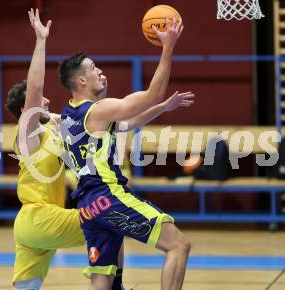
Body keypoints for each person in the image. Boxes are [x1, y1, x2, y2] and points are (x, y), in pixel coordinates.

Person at [59, 16, 193, 290]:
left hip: (87, 207)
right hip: (108, 196)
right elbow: (153, 93)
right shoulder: (97, 110)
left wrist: (163, 108)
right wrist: (168, 47)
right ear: (81, 79)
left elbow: (129, 123)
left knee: (104, 275)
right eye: (94, 68)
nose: (100, 72)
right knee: (178, 245)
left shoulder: (69, 115)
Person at [6, 9, 128, 290]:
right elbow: (36, 86)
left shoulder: (50, 130)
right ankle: (115, 286)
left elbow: (94, 119)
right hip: (40, 218)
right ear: (27, 110)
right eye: (39, 101)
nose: (47, 100)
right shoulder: (27, 133)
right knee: (111, 219)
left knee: (26, 288)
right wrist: (40, 41)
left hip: (33, 225)